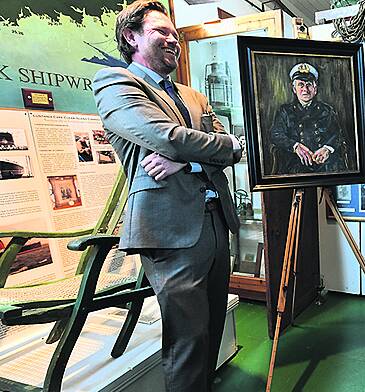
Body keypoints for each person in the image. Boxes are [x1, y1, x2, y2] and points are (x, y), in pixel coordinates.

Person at [92, 1, 242, 390]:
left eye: (175, 32)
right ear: (131, 37)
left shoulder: (193, 96)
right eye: (161, 31)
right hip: (170, 231)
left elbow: (230, 146)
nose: (173, 39)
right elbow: (167, 137)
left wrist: (187, 163)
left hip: (214, 220)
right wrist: (211, 147)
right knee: (187, 338)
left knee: (211, 325)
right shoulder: (116, 84)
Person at [269, 62, 349, 174]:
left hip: (325, 164)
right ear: (294, 89)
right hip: (295, 164)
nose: (305, 90)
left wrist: (327, 148)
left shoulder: (327, 110)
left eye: (309, 85)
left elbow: (338, 134)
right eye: (301, 85)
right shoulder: (285, 111)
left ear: (315, 88)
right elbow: (276, 134)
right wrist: (295, 146)